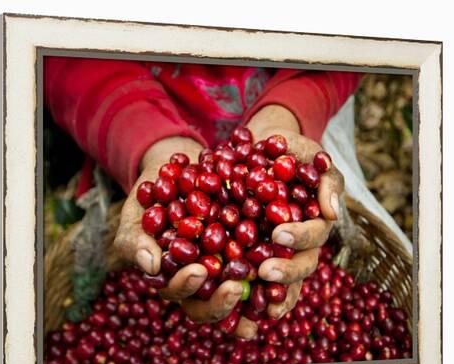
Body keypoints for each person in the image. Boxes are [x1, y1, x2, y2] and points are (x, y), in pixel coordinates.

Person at [44, 57, 361, 338]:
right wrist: (150, 143)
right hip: (128, 127)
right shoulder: (207, 204)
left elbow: (350, 41)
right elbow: (60, 54)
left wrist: (290, 112)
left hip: (285, 101)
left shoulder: (245, 192)